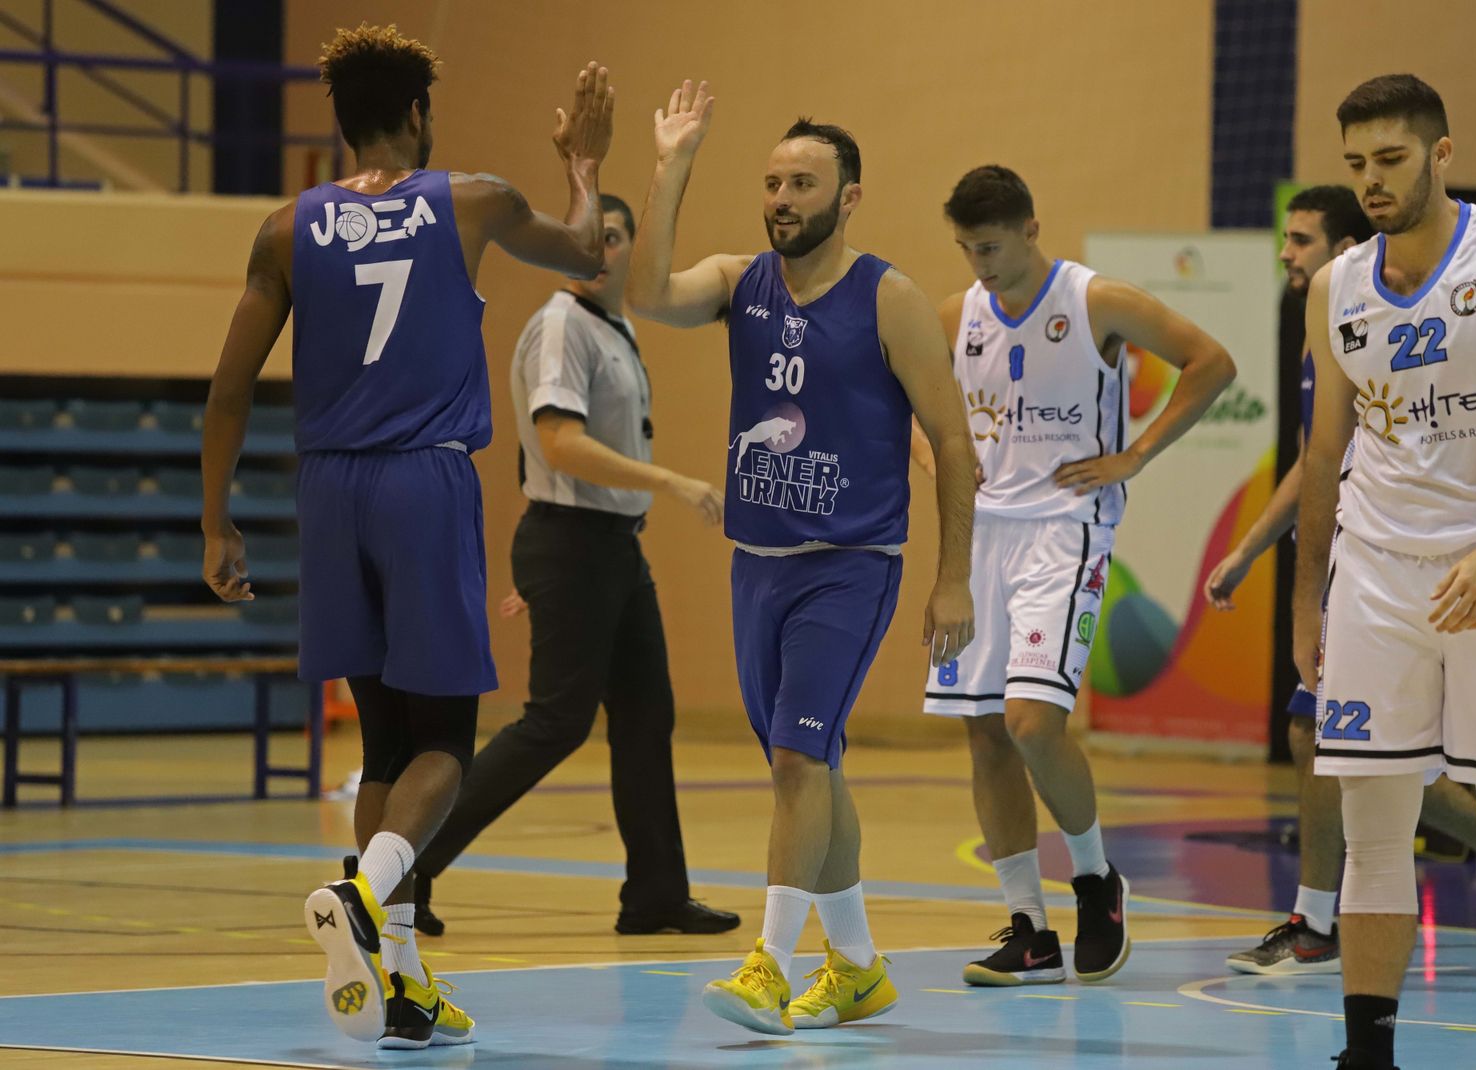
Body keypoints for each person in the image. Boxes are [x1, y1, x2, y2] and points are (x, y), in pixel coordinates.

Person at [200, 22, 613, 1048]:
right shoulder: (468, 198)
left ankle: (403, 987)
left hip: (328, 490)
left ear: (340, 126)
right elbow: (587, 249)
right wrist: (585, 166)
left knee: (384, 740)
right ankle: (360, 894)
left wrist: (215, 518)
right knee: (444, 743)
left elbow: (228, 387)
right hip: (423, 481)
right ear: (419, 116)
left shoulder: (285, 229)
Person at [627, 82, 978, 1036]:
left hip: (851, 562)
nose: (783, 199)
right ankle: (860, 965)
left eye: (804, 184)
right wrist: (674, 164)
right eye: (773, 182)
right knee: (808, 769)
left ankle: (770, 965)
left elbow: (952, 442)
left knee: (797, 754)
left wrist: (952, 577)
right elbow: (647, 292)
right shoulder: (741, 282)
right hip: (758, 562)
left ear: (848, 196)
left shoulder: (890, 297)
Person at [1293, 74, 1476, 1069]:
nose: (1371, 182)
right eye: (1355, 166)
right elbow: (1322, 453)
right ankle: (1365, 1052)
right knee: (1373, 827)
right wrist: (1308, 597)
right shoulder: (1336, 286)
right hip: (1376, 573)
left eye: (1389, 159)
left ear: (1440, 152)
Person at [919, 165, 1235, 986]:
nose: (979, 264)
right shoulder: (957, 315)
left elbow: (1211, 363)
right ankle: (1028, 926)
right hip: (978, 537)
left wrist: (1133, 456)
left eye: (989, 246)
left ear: (1029, 228)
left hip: (1066, 532)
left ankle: (1096, 880)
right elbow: (903, 406)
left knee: (1030, 722)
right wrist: (938, 463)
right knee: (983, 730)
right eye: (965, 249)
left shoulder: (1099, 301)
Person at [1209, 186, 1476, 977]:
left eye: (1301, 240)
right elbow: (1315, 463)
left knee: (1349, 745)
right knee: (1348, 746)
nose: (1287, 253)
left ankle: (1332, 918)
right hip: (1358, 561)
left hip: (1412, 556)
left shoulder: (1395, 318)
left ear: (1348, 248)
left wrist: (1253, 551)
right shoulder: (1328, 323)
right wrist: (1256, 551)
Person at [406, 193, 739, 939]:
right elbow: (557, 445)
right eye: (588, 237)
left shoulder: (613, 326)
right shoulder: (560, 325)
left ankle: (655, 892)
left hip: (609, 547)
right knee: (555, 722)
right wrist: (673, 482)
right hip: (572, 540)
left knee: (647, 718)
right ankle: (405, 865)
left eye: (614, 237)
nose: (601, 249)